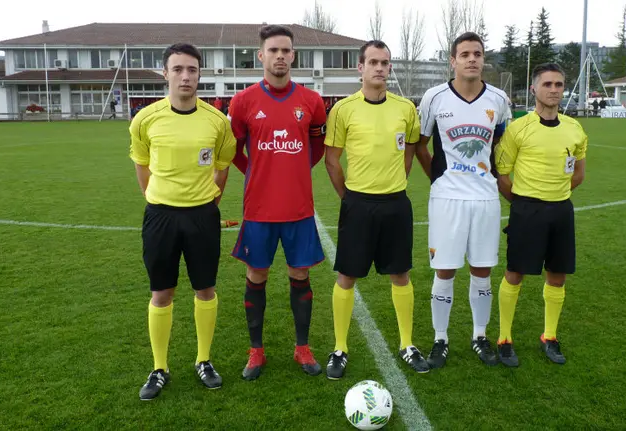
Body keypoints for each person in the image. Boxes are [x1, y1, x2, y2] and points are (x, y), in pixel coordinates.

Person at [129, 43, 236, 400]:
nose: (185, 76)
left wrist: (207, 201)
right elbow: (142, 165)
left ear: (200, 73)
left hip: (203, 215)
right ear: (165, 73)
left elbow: (222, 168)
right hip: (160, 216)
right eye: (178, 69)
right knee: (162, 292)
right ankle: (159, 368)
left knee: (205, 289)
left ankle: (203, 360)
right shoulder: (145, 119)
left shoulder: (217, 121)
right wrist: (156, 198)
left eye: (192, 69)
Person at [324, 39, 428, 380]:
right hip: (358, 203)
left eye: (385, 62)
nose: (380, 68)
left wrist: (396, 179)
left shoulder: (405, 108)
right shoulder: (343, 109)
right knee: (347, 275)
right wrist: (348, 197)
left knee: (401, 274)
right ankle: (340, 348)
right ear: (360, 68)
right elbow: (332, 159)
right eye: (373, 62)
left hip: (396, 203)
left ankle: (407, 344)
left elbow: (410, 150)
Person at [228, 25, 327, 381]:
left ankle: (302, 348)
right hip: (259, 210)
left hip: (299, 209)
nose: (280, 56)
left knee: (300, 275)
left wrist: (294, 170)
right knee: (257, 275)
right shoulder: (243, 102)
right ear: (261, 55)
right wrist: (258, 172)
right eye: (273, 50)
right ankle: (256, 352)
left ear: (293, 55)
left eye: (286, 50)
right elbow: (235, 152)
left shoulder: (312, 102)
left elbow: (316, 149)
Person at [413, 32, 511, 369]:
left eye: (478, 54)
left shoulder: (498, 99)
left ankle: (479, 336)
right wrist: (437, 177)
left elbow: (502, 148)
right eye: (465, 54)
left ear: (484, 60)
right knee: (445, 270)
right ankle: (440, 339)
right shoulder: (435, 97)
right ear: (452, 60)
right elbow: (420, 144)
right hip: (447, 198)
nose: (472, 59)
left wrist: (500, 181)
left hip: (485, 198)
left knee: (482, 270)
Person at [494, 63, 588, 367]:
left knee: (557, 275)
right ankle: (505, 338)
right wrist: (522, 204)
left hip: (561, 210)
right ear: (534, 89)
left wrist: (555, 196)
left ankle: (549, 335)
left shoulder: (574, 129)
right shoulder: (519, 128)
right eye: (547, 84)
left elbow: (578, 175)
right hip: (527, 210)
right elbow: (502, 175)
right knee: (515, 272)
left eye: (559, 84)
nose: (554, 90)